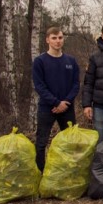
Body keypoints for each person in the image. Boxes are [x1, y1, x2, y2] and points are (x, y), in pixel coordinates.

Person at [32, 27, 80, 171]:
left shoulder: (71, 61)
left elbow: (76, 84)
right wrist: (56, 102)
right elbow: (39, 86)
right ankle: (40, 175)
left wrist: (65, 102)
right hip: (47, 108)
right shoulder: (40, 61)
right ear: (47, 40)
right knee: (41, 143)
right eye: (54, 38)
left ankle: (70, 175)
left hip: (67, 108)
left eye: (60, 37)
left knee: (71, 143)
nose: (57, 41)